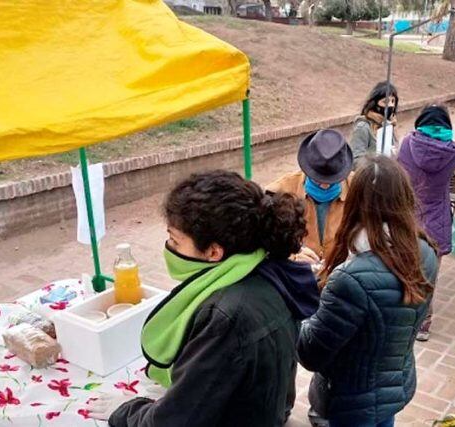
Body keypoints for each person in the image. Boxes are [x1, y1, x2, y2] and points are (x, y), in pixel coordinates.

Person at [88, 170, 320, 426]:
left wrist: (126, 411)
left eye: (175, 241)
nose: (169, 248)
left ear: (213, 252)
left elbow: (173, 421)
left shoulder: (226, 316)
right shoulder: (271, 270)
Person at [297, 155, 438, 427]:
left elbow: (310, 352)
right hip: (394, 384)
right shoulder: (424, 251)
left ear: (356, 203)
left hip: (351, 399)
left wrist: (299, 306)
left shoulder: (351, 280)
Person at [397, 105, 455, 340]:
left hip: (408, 217)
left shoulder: (406, 144)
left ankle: (402, 318)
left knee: (404, 267)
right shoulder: (452, 152)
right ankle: (424, 324)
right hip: (435, 223)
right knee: (429, 273)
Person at [266, 129, 354, 267]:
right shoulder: (280, 191)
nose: (324, 186)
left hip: (341, 275)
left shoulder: (358, 188)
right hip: (298, 276)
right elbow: (264, 242)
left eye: (331, 180)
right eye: (319, 179)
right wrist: (292, 255)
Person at [350, 81, 399, 160]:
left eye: (393, 101)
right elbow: (356, 159)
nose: (390, 105)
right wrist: (374, 166)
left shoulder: (389, 125)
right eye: (385, 101)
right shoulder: (363, 127)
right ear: (374, 103)